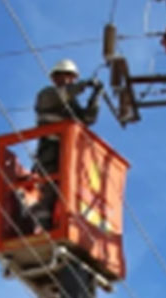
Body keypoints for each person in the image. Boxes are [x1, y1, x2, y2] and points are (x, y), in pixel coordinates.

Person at [26, 58, 102, 232]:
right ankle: (43, 225)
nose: (69, 80)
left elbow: (87, 119)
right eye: (65, 76)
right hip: (50, 149)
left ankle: (64, 224)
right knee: (51, 187)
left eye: (71, 77)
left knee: (70, 189)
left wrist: (95, 97)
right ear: (55, 78)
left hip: (70, 152)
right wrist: (85, 85)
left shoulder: (71, 104)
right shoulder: (47, 95)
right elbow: (65, 93)